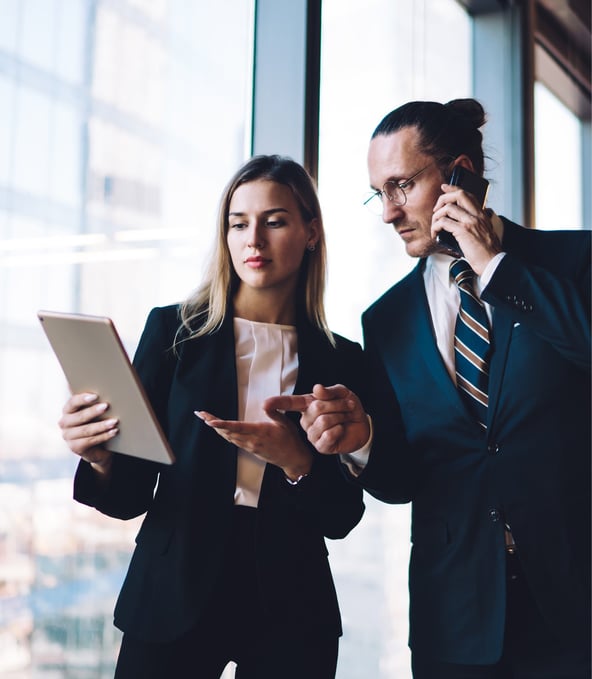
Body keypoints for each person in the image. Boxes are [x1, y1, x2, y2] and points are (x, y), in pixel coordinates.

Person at [266, 100, 591, 678]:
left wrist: (494, 267)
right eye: (378, 194)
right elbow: (404, 481)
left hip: (576, 604)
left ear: (458, 173)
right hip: (456, 623)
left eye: (400, 186)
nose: (388, 213)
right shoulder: (386, 322)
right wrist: (363, 441)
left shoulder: (574, 261)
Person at [57, 154, 365, 679]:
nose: (254, 240)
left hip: (292, 602)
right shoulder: (172, 334)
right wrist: (101, 457)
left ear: (311, 232)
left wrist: (297, 462)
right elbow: (130, 495)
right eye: (238, 223)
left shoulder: (344, 361)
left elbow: (341, 517)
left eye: (275, 221)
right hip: (173, 586)